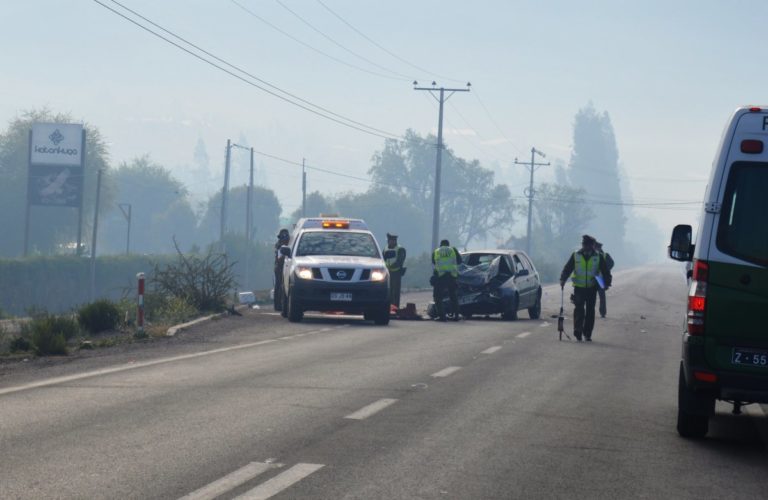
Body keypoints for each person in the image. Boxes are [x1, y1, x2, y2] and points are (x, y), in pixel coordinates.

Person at [559, 234, 612, 341]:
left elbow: (605, 271)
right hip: (579, 288)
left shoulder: (598, 257)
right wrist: (563, 279)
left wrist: (606, 283)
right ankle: (578, 330)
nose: (586, 247)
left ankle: (587, 333)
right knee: (579, 309)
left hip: (592, 288)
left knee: (590, 311)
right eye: (584, 245)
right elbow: (567, 268)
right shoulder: (575, 255)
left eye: (588, 245)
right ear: (582, 245)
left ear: (592, 246)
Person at [432, 239, 462, 322]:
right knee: (453, 296)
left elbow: (434, 262)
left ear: (441, 245)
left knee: (438, 297)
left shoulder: (437, 251)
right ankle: (456, 315)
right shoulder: (453, 250)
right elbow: (459, 261)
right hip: (452, 276)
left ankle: (442, 316)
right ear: (448, 245)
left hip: (441, 276)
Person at [383, 233, 406, 310]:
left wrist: (391, 267)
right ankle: (388, 307)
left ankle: (395, 308)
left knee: (395, 291)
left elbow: (400, 261)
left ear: (394, 241)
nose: (389, 242)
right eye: (389, 240)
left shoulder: (400, 249)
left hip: (396, 272)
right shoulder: (385, 248)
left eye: (391, 240)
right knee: (388, 291)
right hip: (387, 272)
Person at [595, 241, 615, 318]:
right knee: (599, 296)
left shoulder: (605, 255)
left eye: (596, 247)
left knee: (601, 295)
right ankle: (602, 312)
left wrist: (605, 270)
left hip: (600, 278)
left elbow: (612, 263)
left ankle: (602, 312)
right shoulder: (594, 255)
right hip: (596, 277)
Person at [273, 228, 290, 310]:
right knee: (279, 286)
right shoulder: (279, 246)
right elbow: (279, 259)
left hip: (283, 267)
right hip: (279, 268)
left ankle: (280, 305)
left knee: (282, 286)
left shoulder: (283, 245)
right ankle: (278, 306)